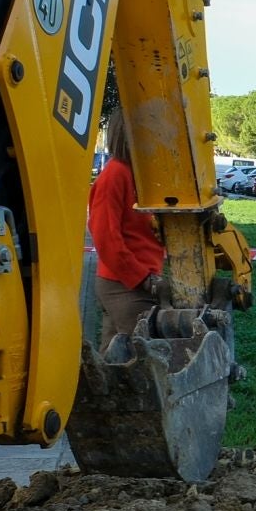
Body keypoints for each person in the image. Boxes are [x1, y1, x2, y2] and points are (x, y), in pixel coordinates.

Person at [87, 106, 164, 350]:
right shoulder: (115, 175)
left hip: (131, 281)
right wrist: (141, 278)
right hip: (125, 284)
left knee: (114, 358)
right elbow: (105, 236)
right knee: (144, 357)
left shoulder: (135, 174)